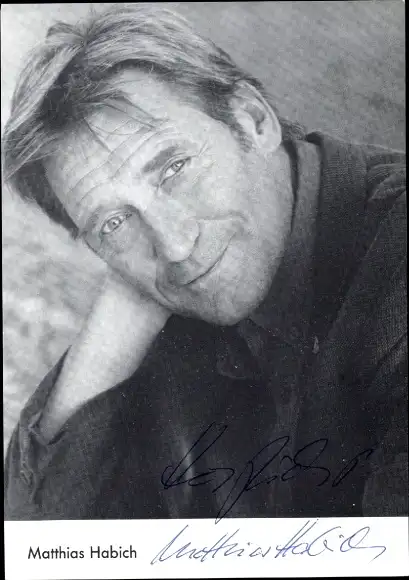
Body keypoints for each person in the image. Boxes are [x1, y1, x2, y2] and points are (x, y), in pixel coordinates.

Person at [3, 4, 407, 521]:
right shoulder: (168, 305)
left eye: (173, 169)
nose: (174, 245)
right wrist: (119, 319)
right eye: (113, 222)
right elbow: (39, 548)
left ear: (253, 120)